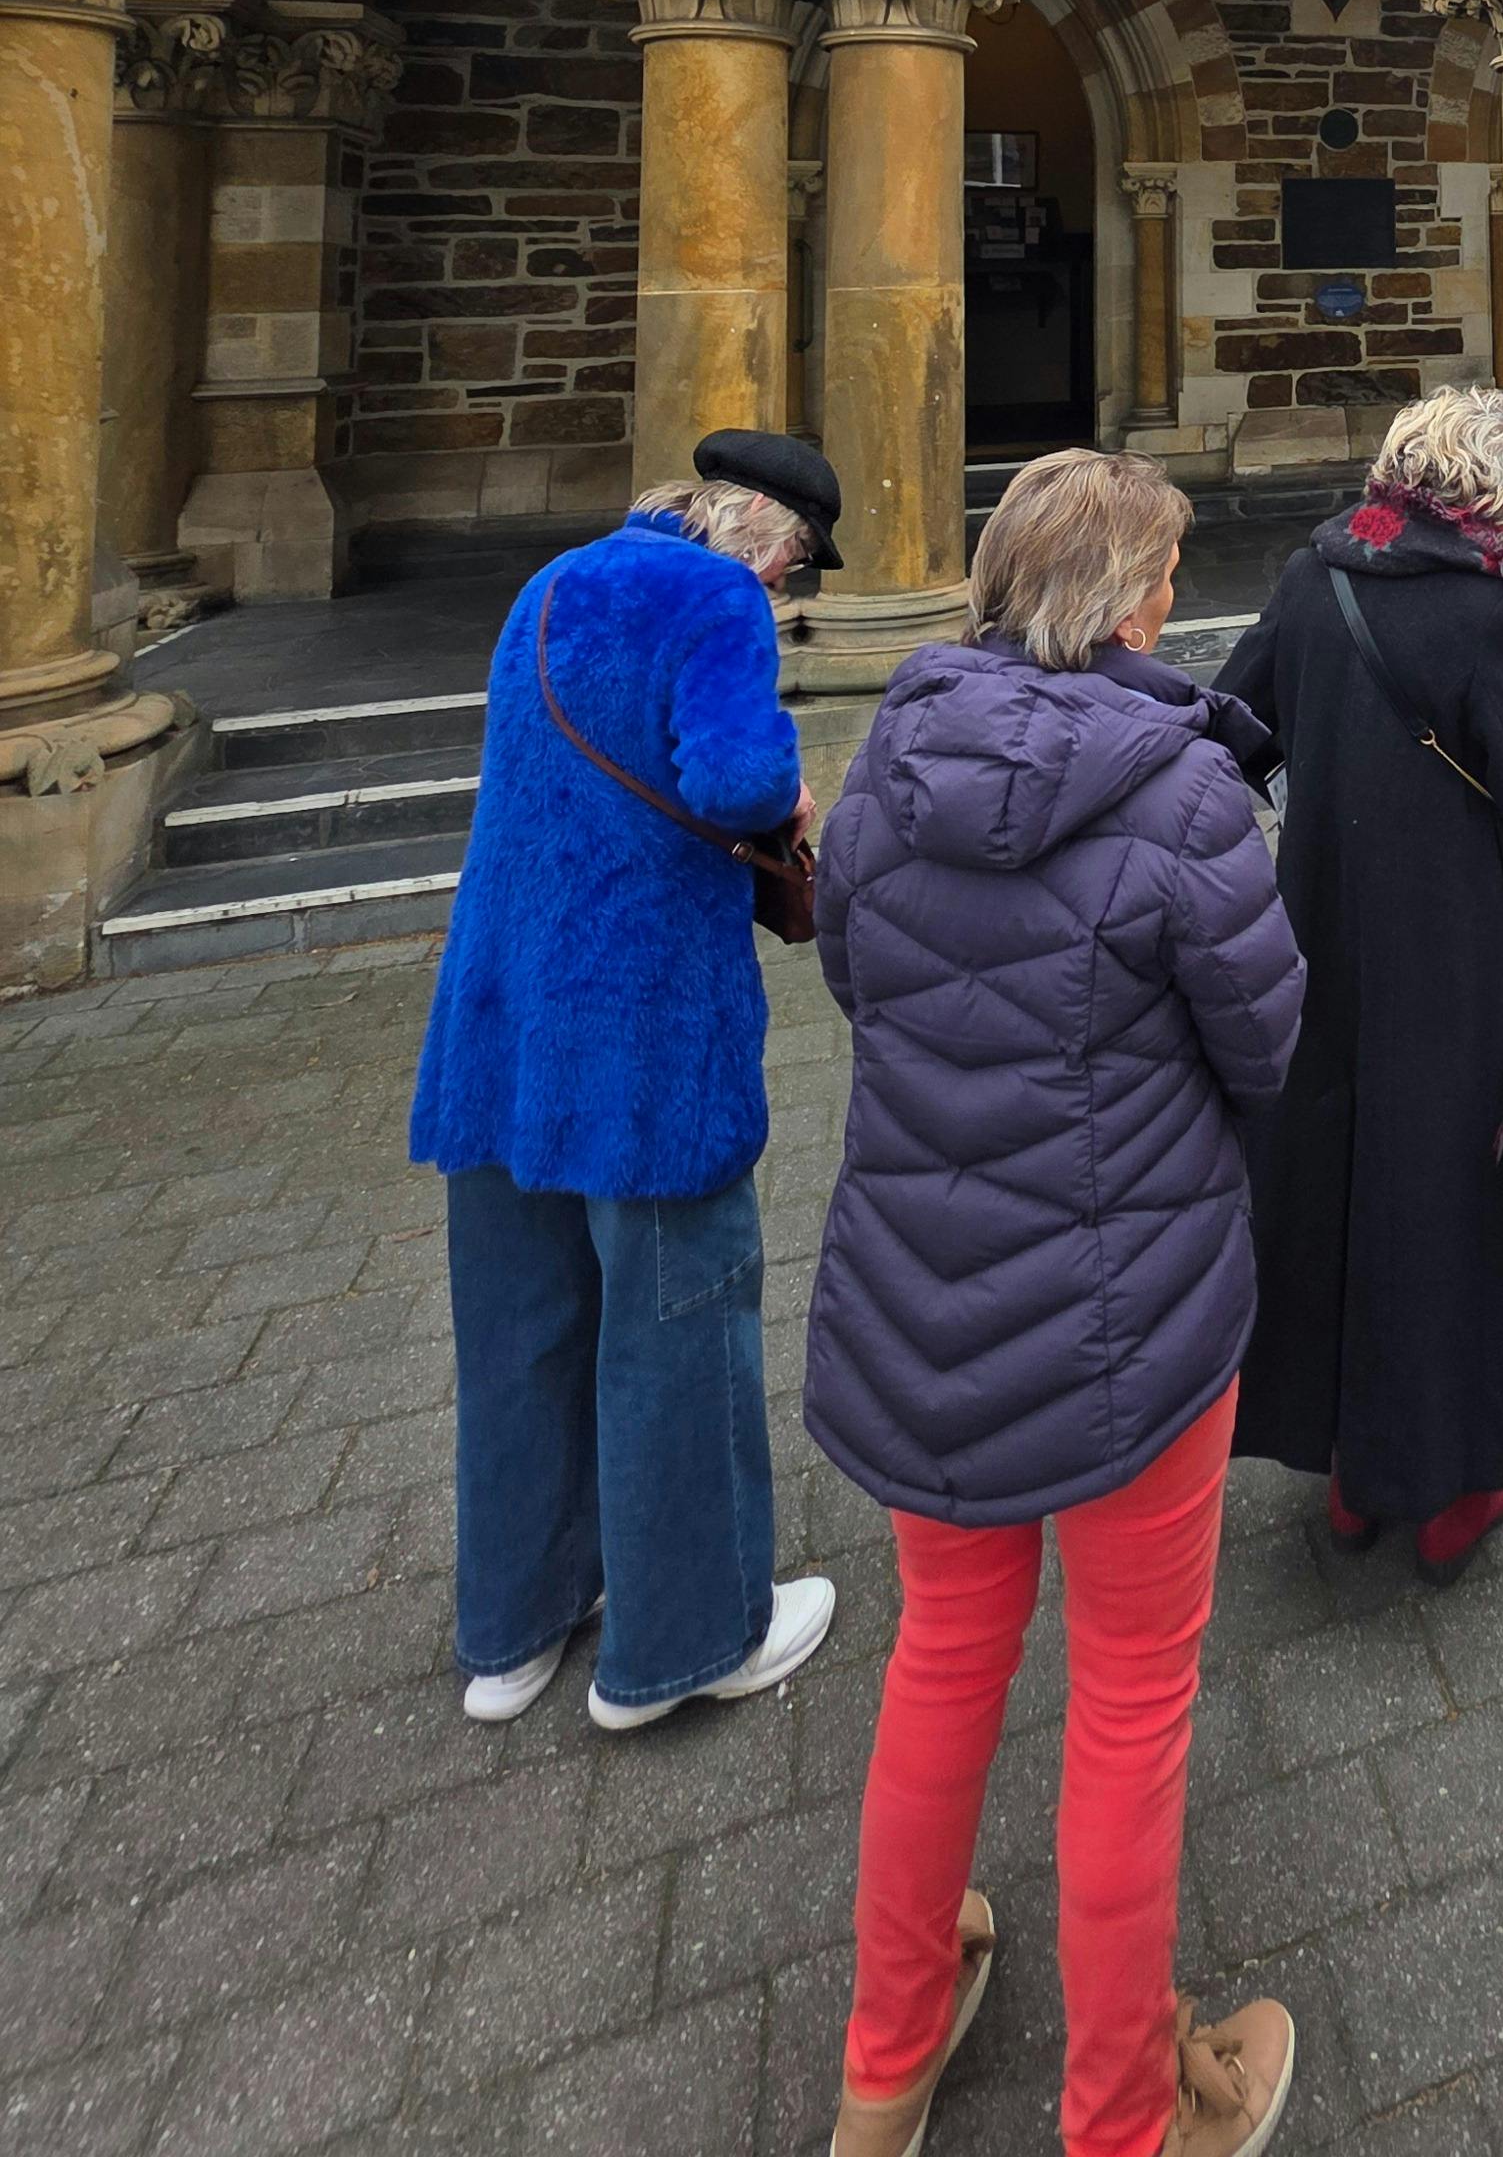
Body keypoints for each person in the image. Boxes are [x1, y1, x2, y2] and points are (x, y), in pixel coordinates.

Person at [808, 448, 1306, 2157]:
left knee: (941, 1657)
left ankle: (886, 2068)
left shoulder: (880, 762)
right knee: (1130, 1702)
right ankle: (1121, 2115)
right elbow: (1268, 1047)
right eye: (1166, 575)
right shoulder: (1185, 799)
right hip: (1129, 1315)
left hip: (912, 1292)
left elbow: (858, 979)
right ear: (1138, 600)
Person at [407, 429, 844, 1735]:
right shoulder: (717, 598)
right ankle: (690, 1638)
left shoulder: (552, 584)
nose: (788, 600)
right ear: (775, 542)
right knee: (676, 1326)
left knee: (522, 1328)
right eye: (801, 579)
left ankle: (514, 1631)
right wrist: (796, 797)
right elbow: (737, 776)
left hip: (500, 1020)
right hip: (643, 1032)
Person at [1222, 385, 1503, 1585]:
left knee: (1326, 1183)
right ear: (1491, 489)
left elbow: (1234, 726)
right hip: (1450, 946)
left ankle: (1346, 1476)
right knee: (1439, 1206)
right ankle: (1445, 1486)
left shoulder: (1315, 568)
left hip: (1316, 930)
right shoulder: (1485, 606)